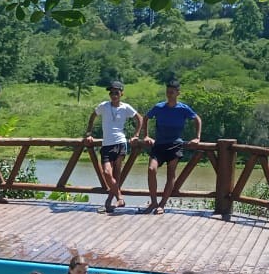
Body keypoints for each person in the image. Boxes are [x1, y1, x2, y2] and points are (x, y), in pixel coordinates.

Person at [141, 79, 202, 214]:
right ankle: (154, 202)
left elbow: (197, 119)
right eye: (168, 92)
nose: (169, 94)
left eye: (172, 92)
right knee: (152, 169)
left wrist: (197, 137)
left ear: (178, 93)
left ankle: (162, 205)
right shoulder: (159, 107)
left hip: (175, 145)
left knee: (171, 174)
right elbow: (146, 118)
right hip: (159, 144)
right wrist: (145, 135)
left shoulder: (183, 108)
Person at [84, 81, 144, 213]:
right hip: (106, 144)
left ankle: (109, 202)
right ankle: (120, 198)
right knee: (107, 173)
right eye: (111, 92)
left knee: (116, 175)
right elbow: (93, 116)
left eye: (116, 92)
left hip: (120, 143)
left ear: (121, 93)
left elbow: (140, 119)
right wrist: (89, 133)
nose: (114, 95)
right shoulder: (103, 106)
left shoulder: (126, 107)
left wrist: (136, 135)